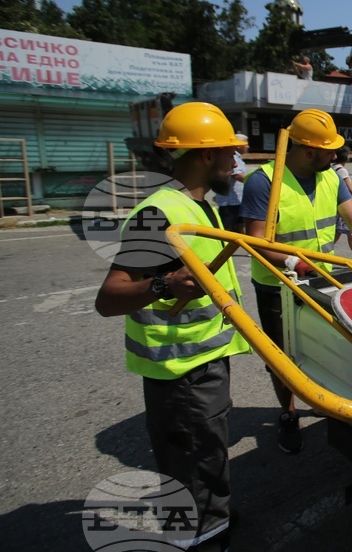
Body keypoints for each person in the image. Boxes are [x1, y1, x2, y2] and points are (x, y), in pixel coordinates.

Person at [94, 102, 250, 551]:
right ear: (205, 156)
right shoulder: (158, 214)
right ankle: (201, 537)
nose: (234, 162)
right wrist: (165, 283)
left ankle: (211, 521)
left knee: (206, 455)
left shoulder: (198, 206)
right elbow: (109, 298)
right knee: (192, 460)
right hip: (181, 372)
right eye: (228, 153)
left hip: (201, 361)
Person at [240, 108, 352, 453]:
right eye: (329, 150)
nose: (335, 155)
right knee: (282, 356)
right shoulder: (264, 181)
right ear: (308, 150)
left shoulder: (329, 176)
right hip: (278, 284)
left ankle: (325, 398)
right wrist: (291, 261)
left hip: (320, 280)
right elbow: (254, 240)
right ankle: (288, 414)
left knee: (326, 347)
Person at [214, 133, 249, 232]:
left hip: (237, 200)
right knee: (228, 229)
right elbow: (237, 175)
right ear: (238, 145)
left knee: (240, 226)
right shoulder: (233, 157)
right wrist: (253, 182)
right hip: (229, 202)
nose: (248, 146)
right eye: (246, 144)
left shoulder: (238, 157)